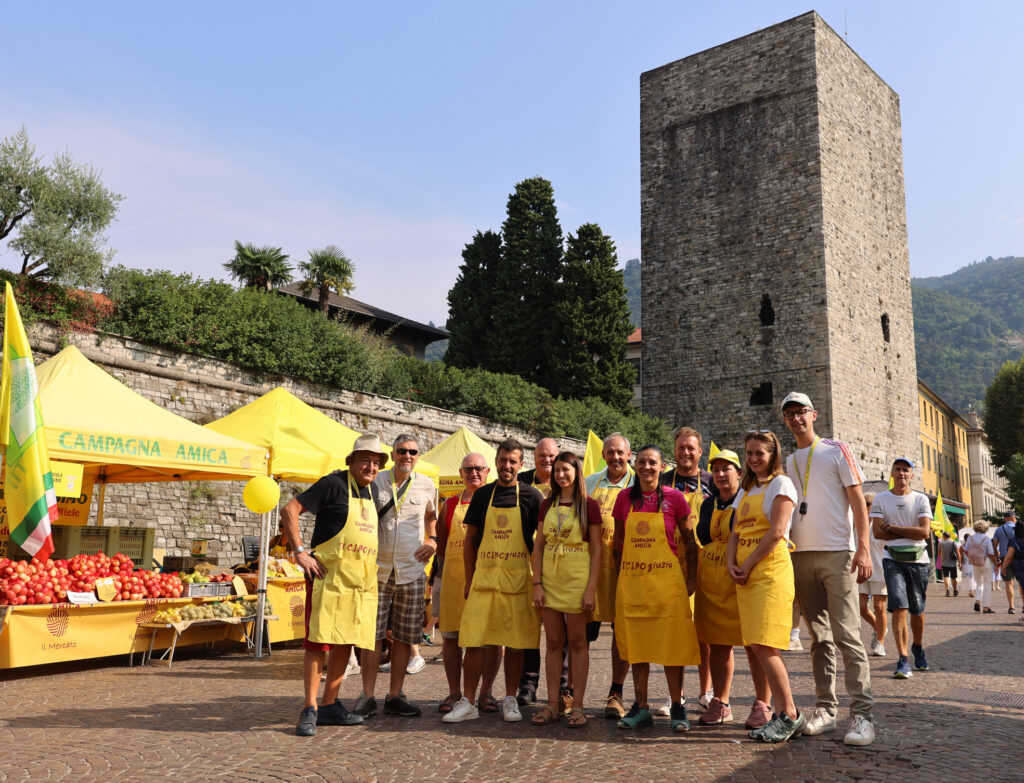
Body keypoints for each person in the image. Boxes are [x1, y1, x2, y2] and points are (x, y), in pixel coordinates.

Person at [781, 392, 874, 747]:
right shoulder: (788, 460)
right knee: (818, 639)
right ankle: (826, 710)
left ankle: (863, 714)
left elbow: (859, 504)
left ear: (814, 414)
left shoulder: (837, 450)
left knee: (848, 635)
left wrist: (863, 550)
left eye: (801, 411)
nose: (796, 418)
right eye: (789, 414)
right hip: (801, 555)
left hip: (838, 553)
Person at [281, 433, 388, 737]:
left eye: (376, 461)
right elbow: (290, 511)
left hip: (359, 584)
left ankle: (330, 704)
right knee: (318, 641)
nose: (371, 466)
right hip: (328, 579)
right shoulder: (333, 484)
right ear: (351, 461)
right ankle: (310, 707)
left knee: (345, 638)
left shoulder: (370, 493)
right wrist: (300, 552)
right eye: (365, 459)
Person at [444, 438, 544, 724]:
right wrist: (468, 578)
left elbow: (539, 545)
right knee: (475, 641)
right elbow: (470, 540)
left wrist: (538, 582)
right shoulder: (483, 495)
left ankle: (510, 698)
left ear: (521, 465)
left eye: (513, 461)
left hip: (517, 580)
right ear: (496, 462)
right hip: (484, 579)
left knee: (514, 643)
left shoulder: (532, 496)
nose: (507, 466)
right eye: (503, 460)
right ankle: (468, 701)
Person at [613, 444, 700, 732]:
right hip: (634, 584)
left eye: (652, 462)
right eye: (641, 462)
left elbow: (690, 541)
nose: (646, 467)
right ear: (634, 465)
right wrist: (621, 577)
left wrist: (691, 580)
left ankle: (678, 706)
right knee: (638, 647)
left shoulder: (675, 498)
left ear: (662, 467)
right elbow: (618, 543)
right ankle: (641, 706)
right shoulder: (624, 498)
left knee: (672, 646)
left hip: (667, 585)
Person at [353, 435, 437, 718]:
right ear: (393, 454)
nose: (408, 456)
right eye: (402, 451)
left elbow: (430, 516)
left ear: (418, 455)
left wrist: (434, 540)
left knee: (404, 637)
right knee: (371, 636)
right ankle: (366, 696)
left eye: (413, 451)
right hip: (376, 569)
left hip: (411, 570)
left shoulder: (427, 484)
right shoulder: (376, 480)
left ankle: (394, 695)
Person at [727, 431, 804, 743]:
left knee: (764, 644)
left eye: (760, 453)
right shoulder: (747, 488)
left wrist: (746, 564)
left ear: (773, 455)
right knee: (756, 644)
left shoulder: (780, 485)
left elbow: (777, 532)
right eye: (749, 453)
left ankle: (790, 715)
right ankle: (785, 714)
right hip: (746, 575)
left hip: (770, 572)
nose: (753, 459)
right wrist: (732, 563)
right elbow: (735, 532)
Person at [694, 448, 773, 729]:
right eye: (715, 469)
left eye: (727, 468)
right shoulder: (707, 504)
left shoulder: (749, 501)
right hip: (711, 583)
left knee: (754, 643)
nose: (720, 474)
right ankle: (721, 702)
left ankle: (763, 703)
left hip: (741, 577)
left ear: (740, 473)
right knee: (718, 642)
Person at [530, 451, 603, 727]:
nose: (560, 474)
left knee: (577, 643)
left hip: (577, 581)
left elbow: (596, 550)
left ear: (576, 472)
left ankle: (578, 706)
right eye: (557, 470)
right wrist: (537, 583)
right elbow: (538, 547)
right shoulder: (547, 505)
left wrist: (591, 589)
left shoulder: (589, 505)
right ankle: (552, 704)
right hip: (549, 581)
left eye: (566, 470)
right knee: (552, 644)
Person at [435, 453, 501, 715]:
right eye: (468, 469)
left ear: (487, 472)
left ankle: (486, 692)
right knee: (451, 639)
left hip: (486, 581)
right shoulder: (449, 505)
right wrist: (439, 581)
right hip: (453, 583)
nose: (474, 473)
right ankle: (454, 691)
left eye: (479, 469)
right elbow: (440, 546)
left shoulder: (497, 503)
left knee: (491, 640)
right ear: (461, 473)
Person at [660, 426, 715, 711]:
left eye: (690, 448)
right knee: (675, 630)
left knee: (703, 631)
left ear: (700, 451)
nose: (685, 453)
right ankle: (675, 695)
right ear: (675, 449)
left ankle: (706, 692)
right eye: (681, 447)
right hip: (669, 564)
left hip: (704, 564)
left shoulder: (710, 481)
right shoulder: (662, 481)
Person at [584, 433, 634, 719]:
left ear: (629, 455)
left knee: (622, 633)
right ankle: (575, 692)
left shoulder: (638, 484)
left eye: (620, 453)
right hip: (591, 569)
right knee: (583, 633)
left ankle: (617, 692)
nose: (615, 457)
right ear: (603, 455)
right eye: (610, 452)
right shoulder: (590, 483)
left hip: (625, 568)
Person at [870, 458, 933, 679]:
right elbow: (878, 533)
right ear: (892, 473)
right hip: (891, 558)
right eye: (898, 469)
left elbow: (924, 533)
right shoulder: (880, 498)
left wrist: (893, 528)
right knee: (899, 607)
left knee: (917, 609)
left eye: (906, 470)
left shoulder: (921, 499)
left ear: (912, 475)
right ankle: (903, 658)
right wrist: (909, 531)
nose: (902, 473)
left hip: (918, 559)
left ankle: (918, 646)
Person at [517, 437, 560, 706]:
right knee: (528, 628)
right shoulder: (521, 481)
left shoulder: (567, 480)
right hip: (525, 563)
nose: (547, 460)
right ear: (534, 458)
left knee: (561, 632)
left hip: (560, 565)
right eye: (542, 456)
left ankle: (563, 687)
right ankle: (528, 684)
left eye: (552, 456)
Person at [858, 493, 888, 657]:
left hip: (880, 569)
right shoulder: (857, 523)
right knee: (862, 608)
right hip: (862, 571)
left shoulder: (881, 524)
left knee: (879, 607)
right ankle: (880, 628)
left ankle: (880, 641)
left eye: (867, 503)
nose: (864, 506)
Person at [964, 520, 997, 613]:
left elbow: (965, 550)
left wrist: (971, 557)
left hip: (975, 562)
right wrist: (995, 563)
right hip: (986, 562)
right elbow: (991, 553)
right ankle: (986, 607)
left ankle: (978, 600)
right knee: (987, 584)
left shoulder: (970, 538)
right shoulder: (986, 538)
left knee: (979, 583)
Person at [993, 509, 1022, 614]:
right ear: (1013, 518)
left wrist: (997, 558)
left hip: (1005, 557)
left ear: (1005, 519)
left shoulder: (999, 529)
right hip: (1020, 557)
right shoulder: (1020, 528)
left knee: (1008, 583)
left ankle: (1011, 607)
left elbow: (995, 545)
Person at [998, 517, 1024, 624]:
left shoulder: (1014, 541)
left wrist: (1003, 567)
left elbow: (1009, 556)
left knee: (1023, 588)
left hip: (1021, 565)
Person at [937, 531, 961, 597]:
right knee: (953, 578)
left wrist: (942, 558)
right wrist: (959, 563)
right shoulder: (954, 543)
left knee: (946, 577)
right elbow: (958, 554)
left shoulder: (941, 543)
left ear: (944, 536)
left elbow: (939, 553)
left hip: (944, 563)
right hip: (953, 563)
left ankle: (947, 591)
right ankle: (955, 591)